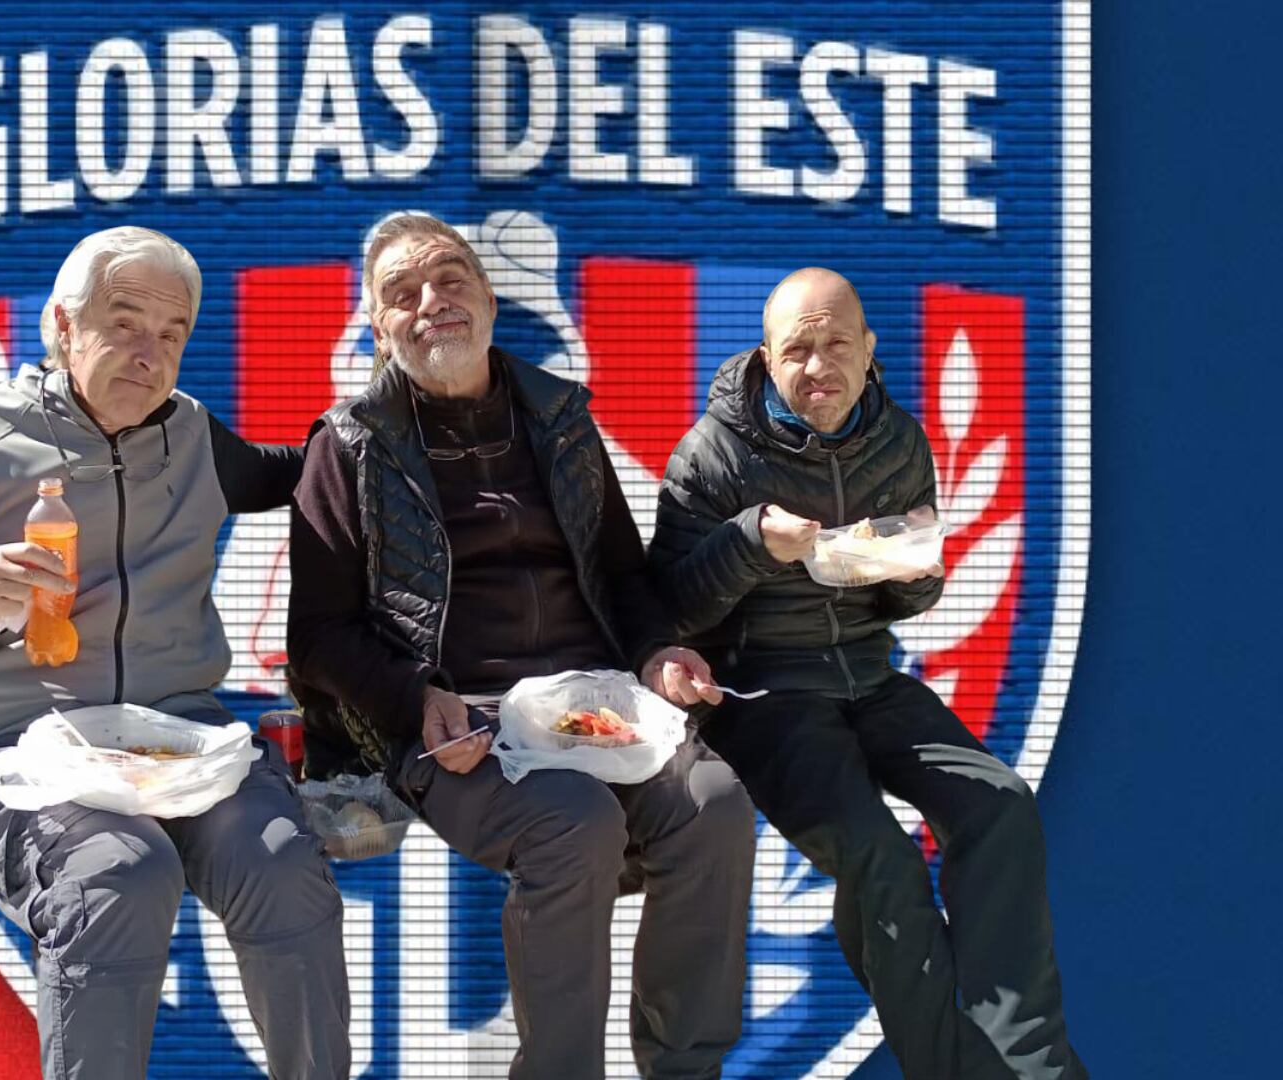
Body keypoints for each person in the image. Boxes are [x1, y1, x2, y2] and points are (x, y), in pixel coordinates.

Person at [0, 227, 349, 1080]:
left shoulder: (193, 436)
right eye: (123, 323)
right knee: (119, 874)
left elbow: (310, 472)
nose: (148, 353)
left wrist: (391, 430)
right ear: (61, 325)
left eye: (171, 334)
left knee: (283, 866)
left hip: (176, 737)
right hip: (13, 744)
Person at [287, 213, 756, 1079]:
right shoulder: (346, 445)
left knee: (716, 805)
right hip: (458, 727)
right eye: (404, 293)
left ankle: (686, 1068)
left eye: (452, 277)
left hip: (603, 710)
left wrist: (659, 656)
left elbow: (624, 575)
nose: (433, 302)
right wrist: (413, 700)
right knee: (572, 825)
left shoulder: (562, 417)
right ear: (377, 326)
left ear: (490, 297)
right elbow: (314, 638)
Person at [647, 267, 1087, 1078]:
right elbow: (667, 610)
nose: (819, 367)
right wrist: (749, 542)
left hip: (871, 677)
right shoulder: (710, 454)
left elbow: (912, 596)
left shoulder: (900, 438)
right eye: (797, 351)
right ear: (766, 357)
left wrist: (913, 571)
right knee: (878, 858)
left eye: (835, 344)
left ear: (869, 349)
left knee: (1002, 807)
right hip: (762, 694)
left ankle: (1031, 1063)